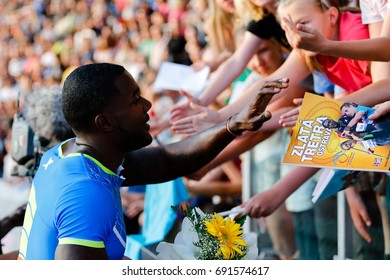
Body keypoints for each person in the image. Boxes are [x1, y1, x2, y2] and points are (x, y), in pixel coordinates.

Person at [17, 63, 287, 260]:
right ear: (106, 122)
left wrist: (233, 125)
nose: (147, 105)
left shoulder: (73, 153)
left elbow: (167, 160)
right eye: (135, 100)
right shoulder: (85, 191)